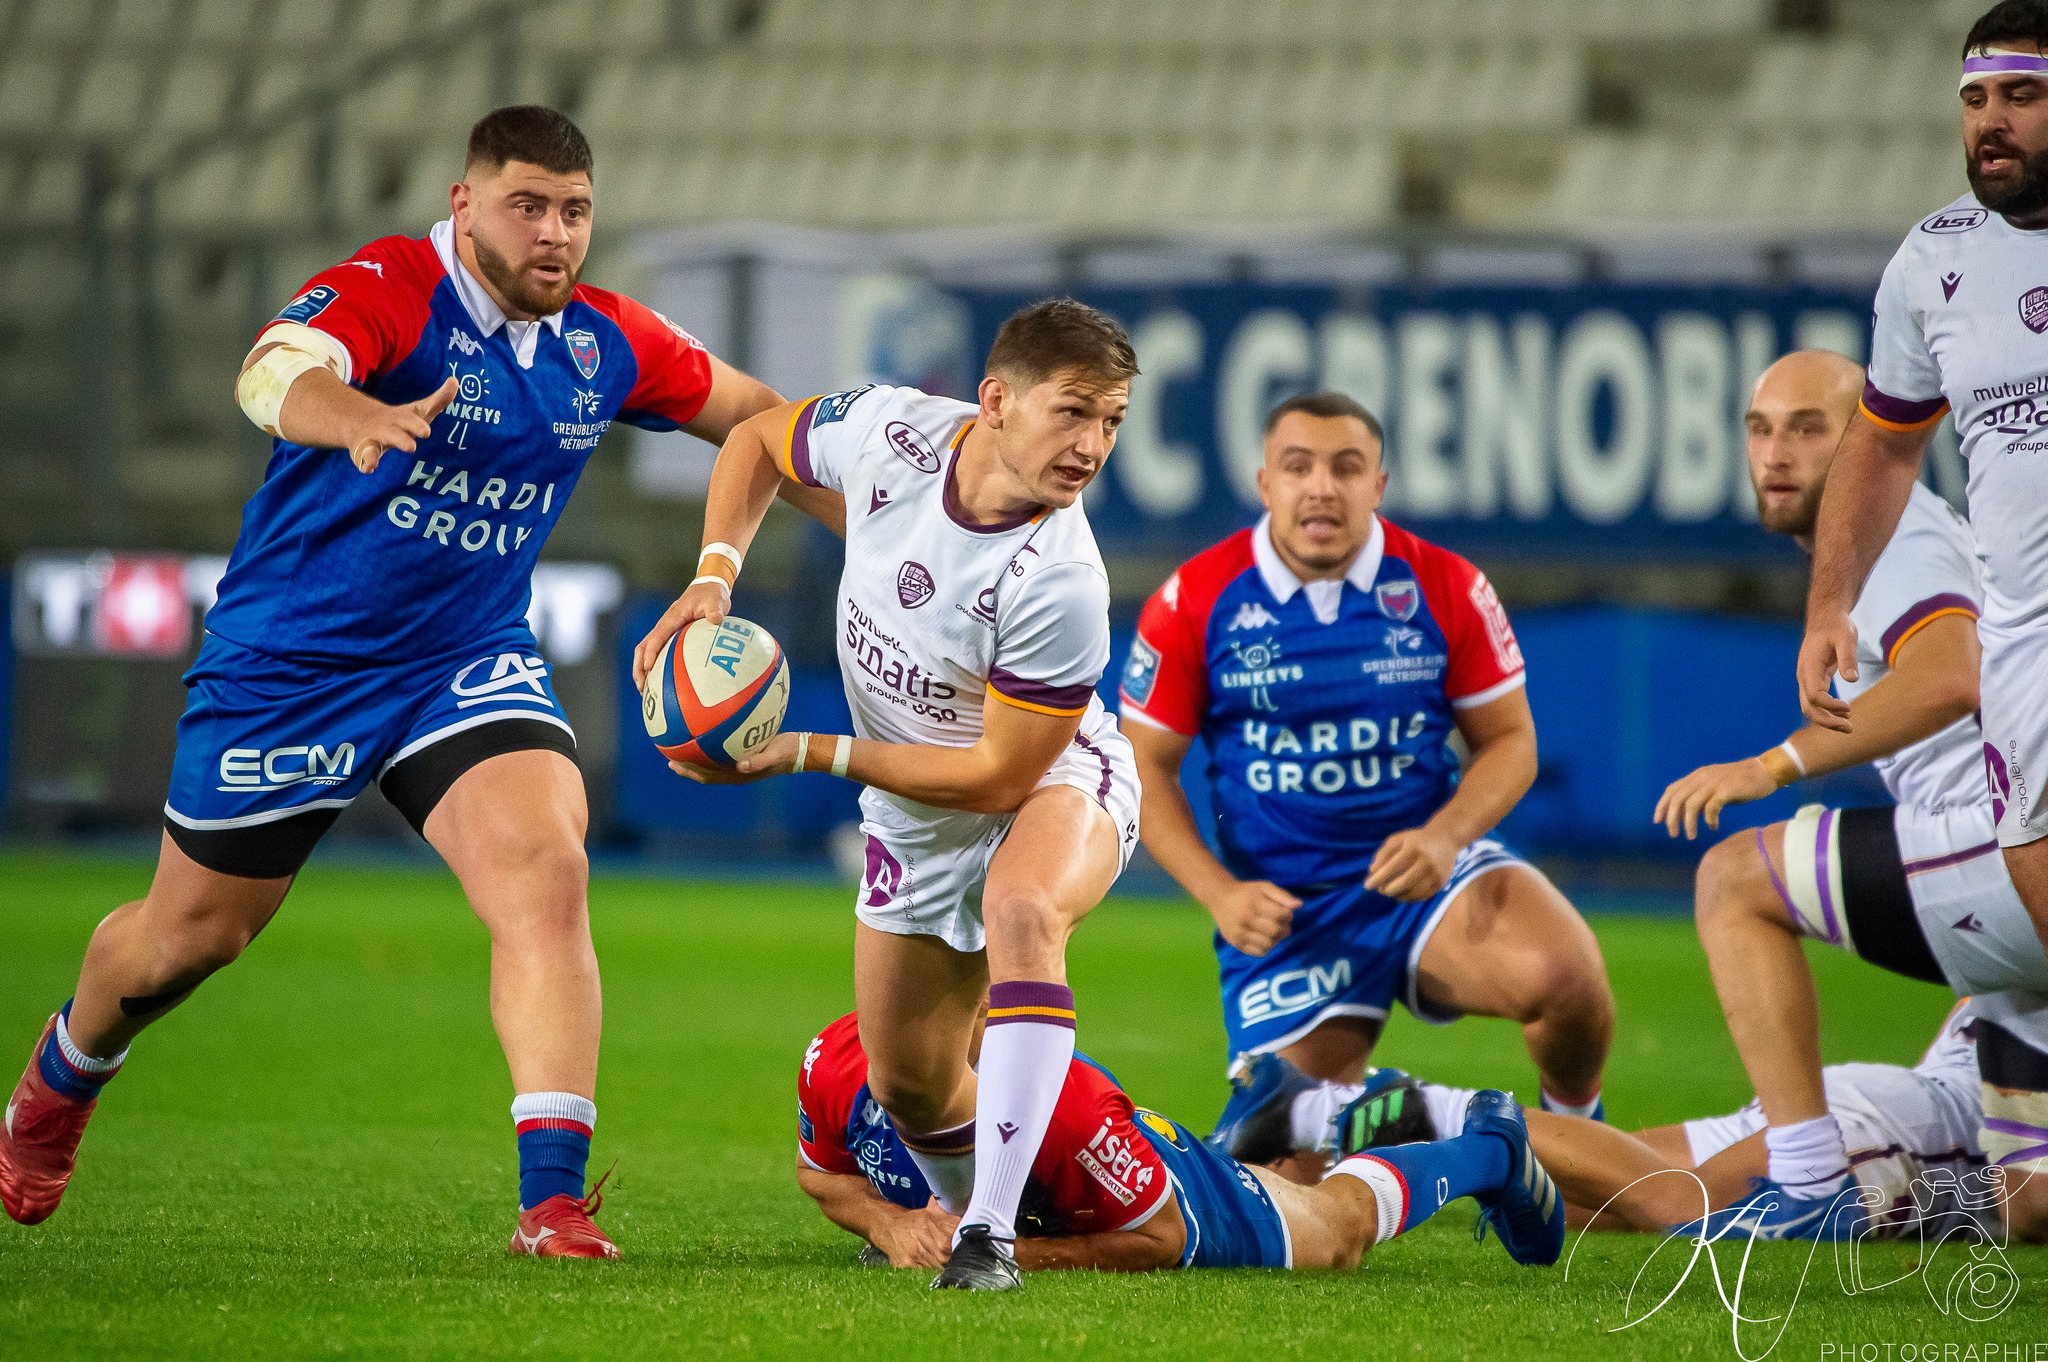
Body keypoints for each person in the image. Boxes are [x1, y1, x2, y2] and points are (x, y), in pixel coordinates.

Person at [0, 107, 809, 1259]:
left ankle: (552, 1203)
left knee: (544, 869)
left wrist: (858, 515)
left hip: (462, 657)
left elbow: (768, 423)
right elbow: (273, 372)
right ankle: (63, 1072)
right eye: (527, 205)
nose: (555, 235)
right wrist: (357, 417)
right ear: (463, 202)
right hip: (292, 668)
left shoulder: (604, 340)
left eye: (574, 211)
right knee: (189, 941)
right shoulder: (387, 287)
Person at [633, 300, 1145, 1290]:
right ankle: (980, 1206)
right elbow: (754, 440)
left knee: (1022, 906)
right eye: (1073, 412)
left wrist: (805, 753)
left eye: (1111, 421)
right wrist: (713, 575)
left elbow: (1000, 774)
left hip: (1049, 777)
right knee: (907, 1084)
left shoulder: (1061, 579)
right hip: (914, 814)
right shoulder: (893, 431)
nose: (1091, 445)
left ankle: (989, 1237)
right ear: (994, 400)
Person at [1116, 392, 1614, 1144]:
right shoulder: (1195, 599)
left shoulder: (1446, 586)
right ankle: (1419, 1119)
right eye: (1298, 467)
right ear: (1265, 485)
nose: (1322, 486)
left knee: (1568, 982)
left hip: (1424, 878)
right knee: (1288, 1184)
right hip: (1290, 914)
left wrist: (1446, 837)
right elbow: (1143, 766)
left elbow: (1510, 743)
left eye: (1347, 468)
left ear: (1378, 486)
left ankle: (1579, 1144)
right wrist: (1220, 895)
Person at [1655, 349, 2048, 1241]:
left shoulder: (1893, 529)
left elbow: (1953, 675)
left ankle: (1808, 1179)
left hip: (2000, 839)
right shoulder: (1894, 536)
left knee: (1735, 880)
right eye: (1760, 429)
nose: (1776, 452)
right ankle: (1893, 1200)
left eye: (1807, 427)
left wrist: (1771, 768)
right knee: (2032, 1203)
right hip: (2007, 859)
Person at [1796, 0, 2048, 1241]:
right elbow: (1885, 444)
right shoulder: (1936, 257)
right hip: (2026, 662)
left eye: (2018, 96)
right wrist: (1829, 605)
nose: (1989, 123)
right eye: (1972, 100)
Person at [792, 1011, 1565, 1273]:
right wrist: (890, 1224)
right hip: (1083, 1191)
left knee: (1337, 1233)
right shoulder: (839, 1062)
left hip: (1167, 1186)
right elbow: (817, 1172)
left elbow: (1159, 1237)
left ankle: (1491, 1146)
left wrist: (992, 1251)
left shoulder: (1063, 1107)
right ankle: (1280, 1113)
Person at [1337, 1003, 1995, 1243]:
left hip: (1892, 1100)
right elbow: (2036, 1201)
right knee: (1683, 1205)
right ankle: (1434, 1108)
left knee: (1598, 1201)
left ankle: (1338, 1116)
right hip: (1909, 1123)